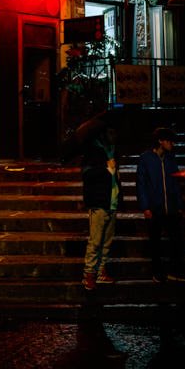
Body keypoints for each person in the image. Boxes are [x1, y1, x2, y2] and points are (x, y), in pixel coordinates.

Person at [65, 104, 121, 290]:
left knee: (107, 240)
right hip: (98, 201)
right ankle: (89, 273)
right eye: (111, 132)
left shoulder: (110, 151)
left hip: (111, 200)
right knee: (96, 240)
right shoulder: (93, 152)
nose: (113, 135)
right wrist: (107, 170)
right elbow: (88, 175)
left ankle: (101, 271)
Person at [136, 126, 185, 282]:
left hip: (170, 208)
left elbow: (176, 183)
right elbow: (141, 184)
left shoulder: (171, 158)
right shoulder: (146, 159)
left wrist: (178, 205)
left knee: (176, 241)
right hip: (155, 208)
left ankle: (175, 271)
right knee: (155, 243)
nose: (173, 144)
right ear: (160, 141)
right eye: (170, 141)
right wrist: (145, 207)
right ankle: (157, 273)